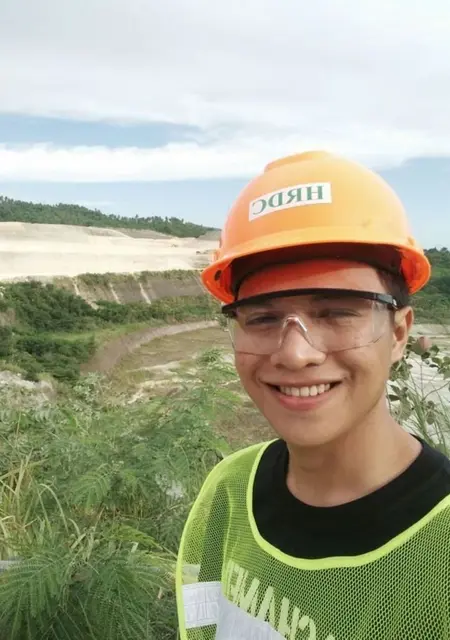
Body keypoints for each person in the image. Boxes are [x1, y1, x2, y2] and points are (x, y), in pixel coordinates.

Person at [175, 151, 450, 639]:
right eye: (262, 318)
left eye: (337, 311)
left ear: (399, 333)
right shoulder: (228, 492)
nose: (295, 353)